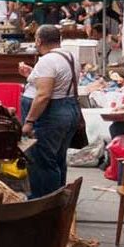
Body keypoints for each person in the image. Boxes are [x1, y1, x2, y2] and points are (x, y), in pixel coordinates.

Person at [19, 24, 82, 198]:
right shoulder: (69, 56)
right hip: (68, 109)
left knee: (42, 161)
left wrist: (29, 121)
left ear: (39, 41)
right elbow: (57, 80)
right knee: (57, 159)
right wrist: (32, 74)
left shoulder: (47, 60)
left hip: (50, 115)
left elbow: (43, 95)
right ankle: (58, 200)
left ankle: (43, 203)